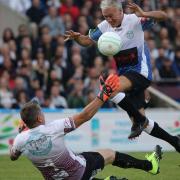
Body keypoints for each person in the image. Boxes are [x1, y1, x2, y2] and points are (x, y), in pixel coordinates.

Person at [64, 0, 180, 152]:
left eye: (111, 16)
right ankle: (175, 142)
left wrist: (144, 13)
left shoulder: (134, 20)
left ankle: (138, 118)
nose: (109, 20)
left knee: (109, 88)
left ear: (120, 12)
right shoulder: (104, 27)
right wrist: (78, 38)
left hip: (140, 72)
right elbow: (87, 40)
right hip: (125, 75)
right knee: (143, 124)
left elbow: (163, 16)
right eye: (106, 16)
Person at [10, 74, 162, 180]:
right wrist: (104, 94)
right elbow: (84, 116)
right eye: (41, 113)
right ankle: (150, 166)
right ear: (39, 118)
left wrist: (23, 134)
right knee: (110, 154)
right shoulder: (53, 128)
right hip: (79, 172)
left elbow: (13, 156)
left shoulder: (20, 140)